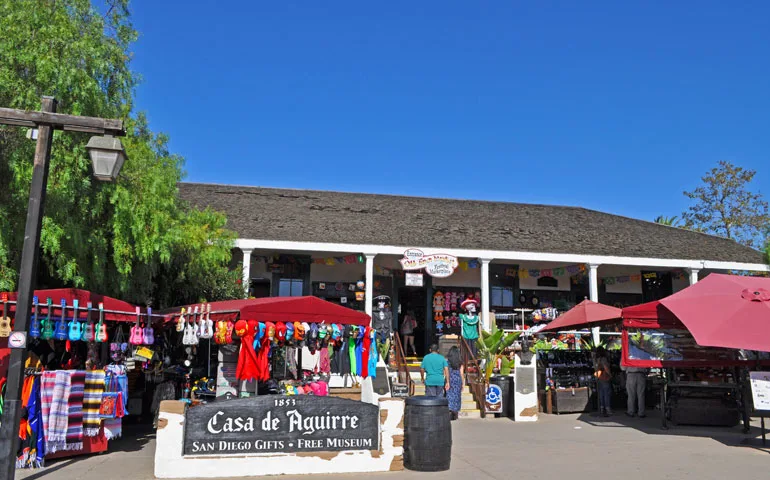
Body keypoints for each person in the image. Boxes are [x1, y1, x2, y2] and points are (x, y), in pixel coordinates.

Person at [446, 346, 464, 420]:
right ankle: (455, 412)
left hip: (450, 379)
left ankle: (449, 409)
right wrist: (462, 384)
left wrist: (446, 381)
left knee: (449, 395)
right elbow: (461, 374)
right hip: (457, 380)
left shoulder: (447, 362)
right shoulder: (460, 363)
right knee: (457, 396)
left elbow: (445, 371)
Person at [593, 347, 613, 417]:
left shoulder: (596, 359)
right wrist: (610, 375)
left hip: (599, 377)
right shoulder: (603, 359)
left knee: (601, 394)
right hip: (604, 377)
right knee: (606, 394)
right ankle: (608, 409)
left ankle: (602, 408)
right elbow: (606, 367)